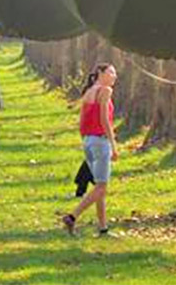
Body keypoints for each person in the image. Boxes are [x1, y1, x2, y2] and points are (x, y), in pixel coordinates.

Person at [62, 63, 118, 237]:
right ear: (100, 73)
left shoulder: (89, 91)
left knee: (98, 188)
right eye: (111, 72)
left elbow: (82, 120)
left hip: (88, 141)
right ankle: (72, 216)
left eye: (115, 73)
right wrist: (113, 144)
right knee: (101, 187)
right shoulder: (105, 91)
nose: (114, 76)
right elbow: (104, 120)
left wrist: (86, 140)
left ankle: (103, 228)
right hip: (100, 142)